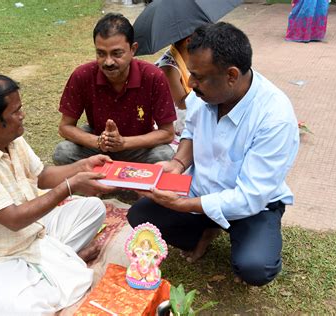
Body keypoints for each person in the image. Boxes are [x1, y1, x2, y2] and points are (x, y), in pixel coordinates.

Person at [127, 22, 300, 287]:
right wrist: (178, 162)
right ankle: (207, 229)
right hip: (200, 191)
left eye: (198, 76)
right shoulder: (203, 94)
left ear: (231, 75)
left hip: (251, 208)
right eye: (190, 73)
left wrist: (182, 205)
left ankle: (238, 233)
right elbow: (192, 132)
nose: (190, 83)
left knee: (255, 267)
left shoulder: (274, 117)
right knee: (139, 216)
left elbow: (249, 197)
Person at [0, 73, 116, 314]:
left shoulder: (10, 138)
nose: (22, 115)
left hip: (30, 234)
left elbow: (41, 176)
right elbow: (13, 219)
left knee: (93, 209)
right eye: (15, 111)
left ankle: (61, 259)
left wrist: (82, 166)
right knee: (25, 309)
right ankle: (63, 260)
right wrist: (69, 186)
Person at [53, 13, 176, 166]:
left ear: (133, 49)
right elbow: (65, 127)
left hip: (138, 145)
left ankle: (122, 184)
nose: (108, 62)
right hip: (98, 144)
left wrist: (123, 143)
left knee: (165, 155)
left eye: (117, 54)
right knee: (63, 152)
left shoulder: (153, 76)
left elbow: (167, 133)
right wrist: (98, 141)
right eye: (101, 54)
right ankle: (100, 184)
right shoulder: (82, 75)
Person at [155, 36, 192, 138]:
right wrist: (203, 85)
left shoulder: (183, 56)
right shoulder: (169, 69)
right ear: (188, 41)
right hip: (168, 123)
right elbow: (182, 106)